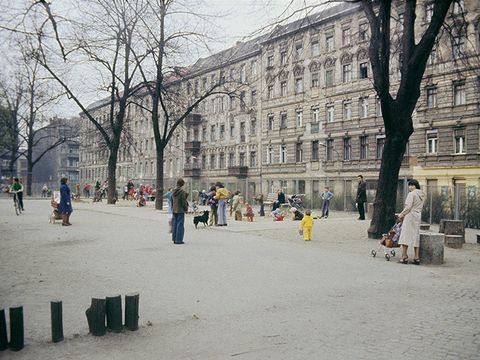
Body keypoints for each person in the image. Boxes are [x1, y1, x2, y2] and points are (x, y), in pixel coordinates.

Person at [398, 179, 426, 265]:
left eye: (410, 185)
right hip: (417, 215)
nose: (409, 187)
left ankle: (404, 256)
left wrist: (401, 215)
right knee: (415, 235)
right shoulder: (422, 195)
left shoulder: (411, 194)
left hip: (410, 215)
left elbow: (408, 207)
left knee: (405, 235)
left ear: (414, 186)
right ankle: (416, 257)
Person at [172, 179, 189, 244]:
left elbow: (172, 200)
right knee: (180, 225)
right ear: (182, 184)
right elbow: (183, 202)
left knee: (175, 224)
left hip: (174, 209)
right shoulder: (182, 192)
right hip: (180, 210)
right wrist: (186, 208)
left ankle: (174, 238)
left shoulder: (173, 191)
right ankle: (179, 239)